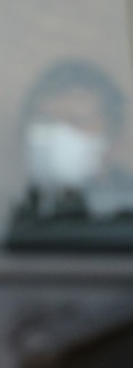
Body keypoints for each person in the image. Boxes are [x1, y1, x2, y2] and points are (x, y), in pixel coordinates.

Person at [9, 60, 133, 247]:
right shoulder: (5, 213)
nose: (57, 135)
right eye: (46, 121)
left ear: (114, 139)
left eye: (76, 122)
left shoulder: (127, 206)